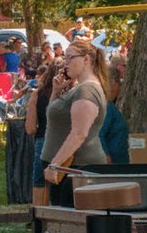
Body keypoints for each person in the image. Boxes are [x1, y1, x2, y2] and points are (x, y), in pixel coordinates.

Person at [42, 38, 110, 206]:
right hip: (66, 168)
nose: (65, 63)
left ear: (86, 59)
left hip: (76, 168)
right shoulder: (78, 87)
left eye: (69, 58)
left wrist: (55, 165)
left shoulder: (87, 90)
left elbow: (79, 133)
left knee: (72, 223)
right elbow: (53, 116)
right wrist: (57, 92)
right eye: (64, 58)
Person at [25, 61, 65, 205]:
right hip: (65, 141)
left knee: (39, 180)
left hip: (43, 139)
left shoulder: (37, 94)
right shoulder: (71, 93)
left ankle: (38, 217)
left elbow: (30, 128)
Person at [99, 62, 129, 165]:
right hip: (113, 162)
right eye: (119, 82)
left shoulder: (108, 105)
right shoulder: (106, 107)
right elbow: (100, 134)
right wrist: (106, 157)